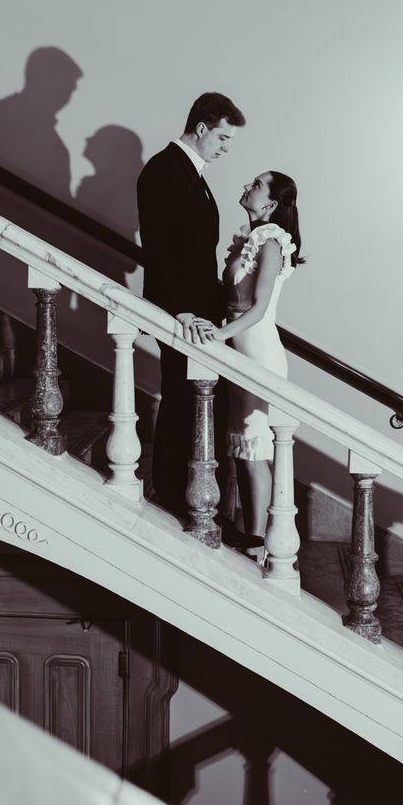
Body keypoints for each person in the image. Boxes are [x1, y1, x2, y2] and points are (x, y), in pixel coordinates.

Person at [136, 92, 246, 522]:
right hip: (183, 315)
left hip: (201, 312)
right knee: (182, 402)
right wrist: (181, 310)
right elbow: (161, 248)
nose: (225, 146)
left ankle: (189, 500)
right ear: (201, 128)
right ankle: (169, 497)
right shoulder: (164, 170)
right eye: (222, 136)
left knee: (192, 403)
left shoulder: (191, 173)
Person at [212, 172, 304, 546]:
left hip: (258, 350)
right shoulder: (251, 238)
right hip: (239, 345)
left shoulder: (271, 242)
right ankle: (250, 537)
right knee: (240, 446)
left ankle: (257, 542)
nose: (246, 187)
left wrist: (219, 334)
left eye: (256, 185)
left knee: (253, 448)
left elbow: (260, 306)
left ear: (269, 204)